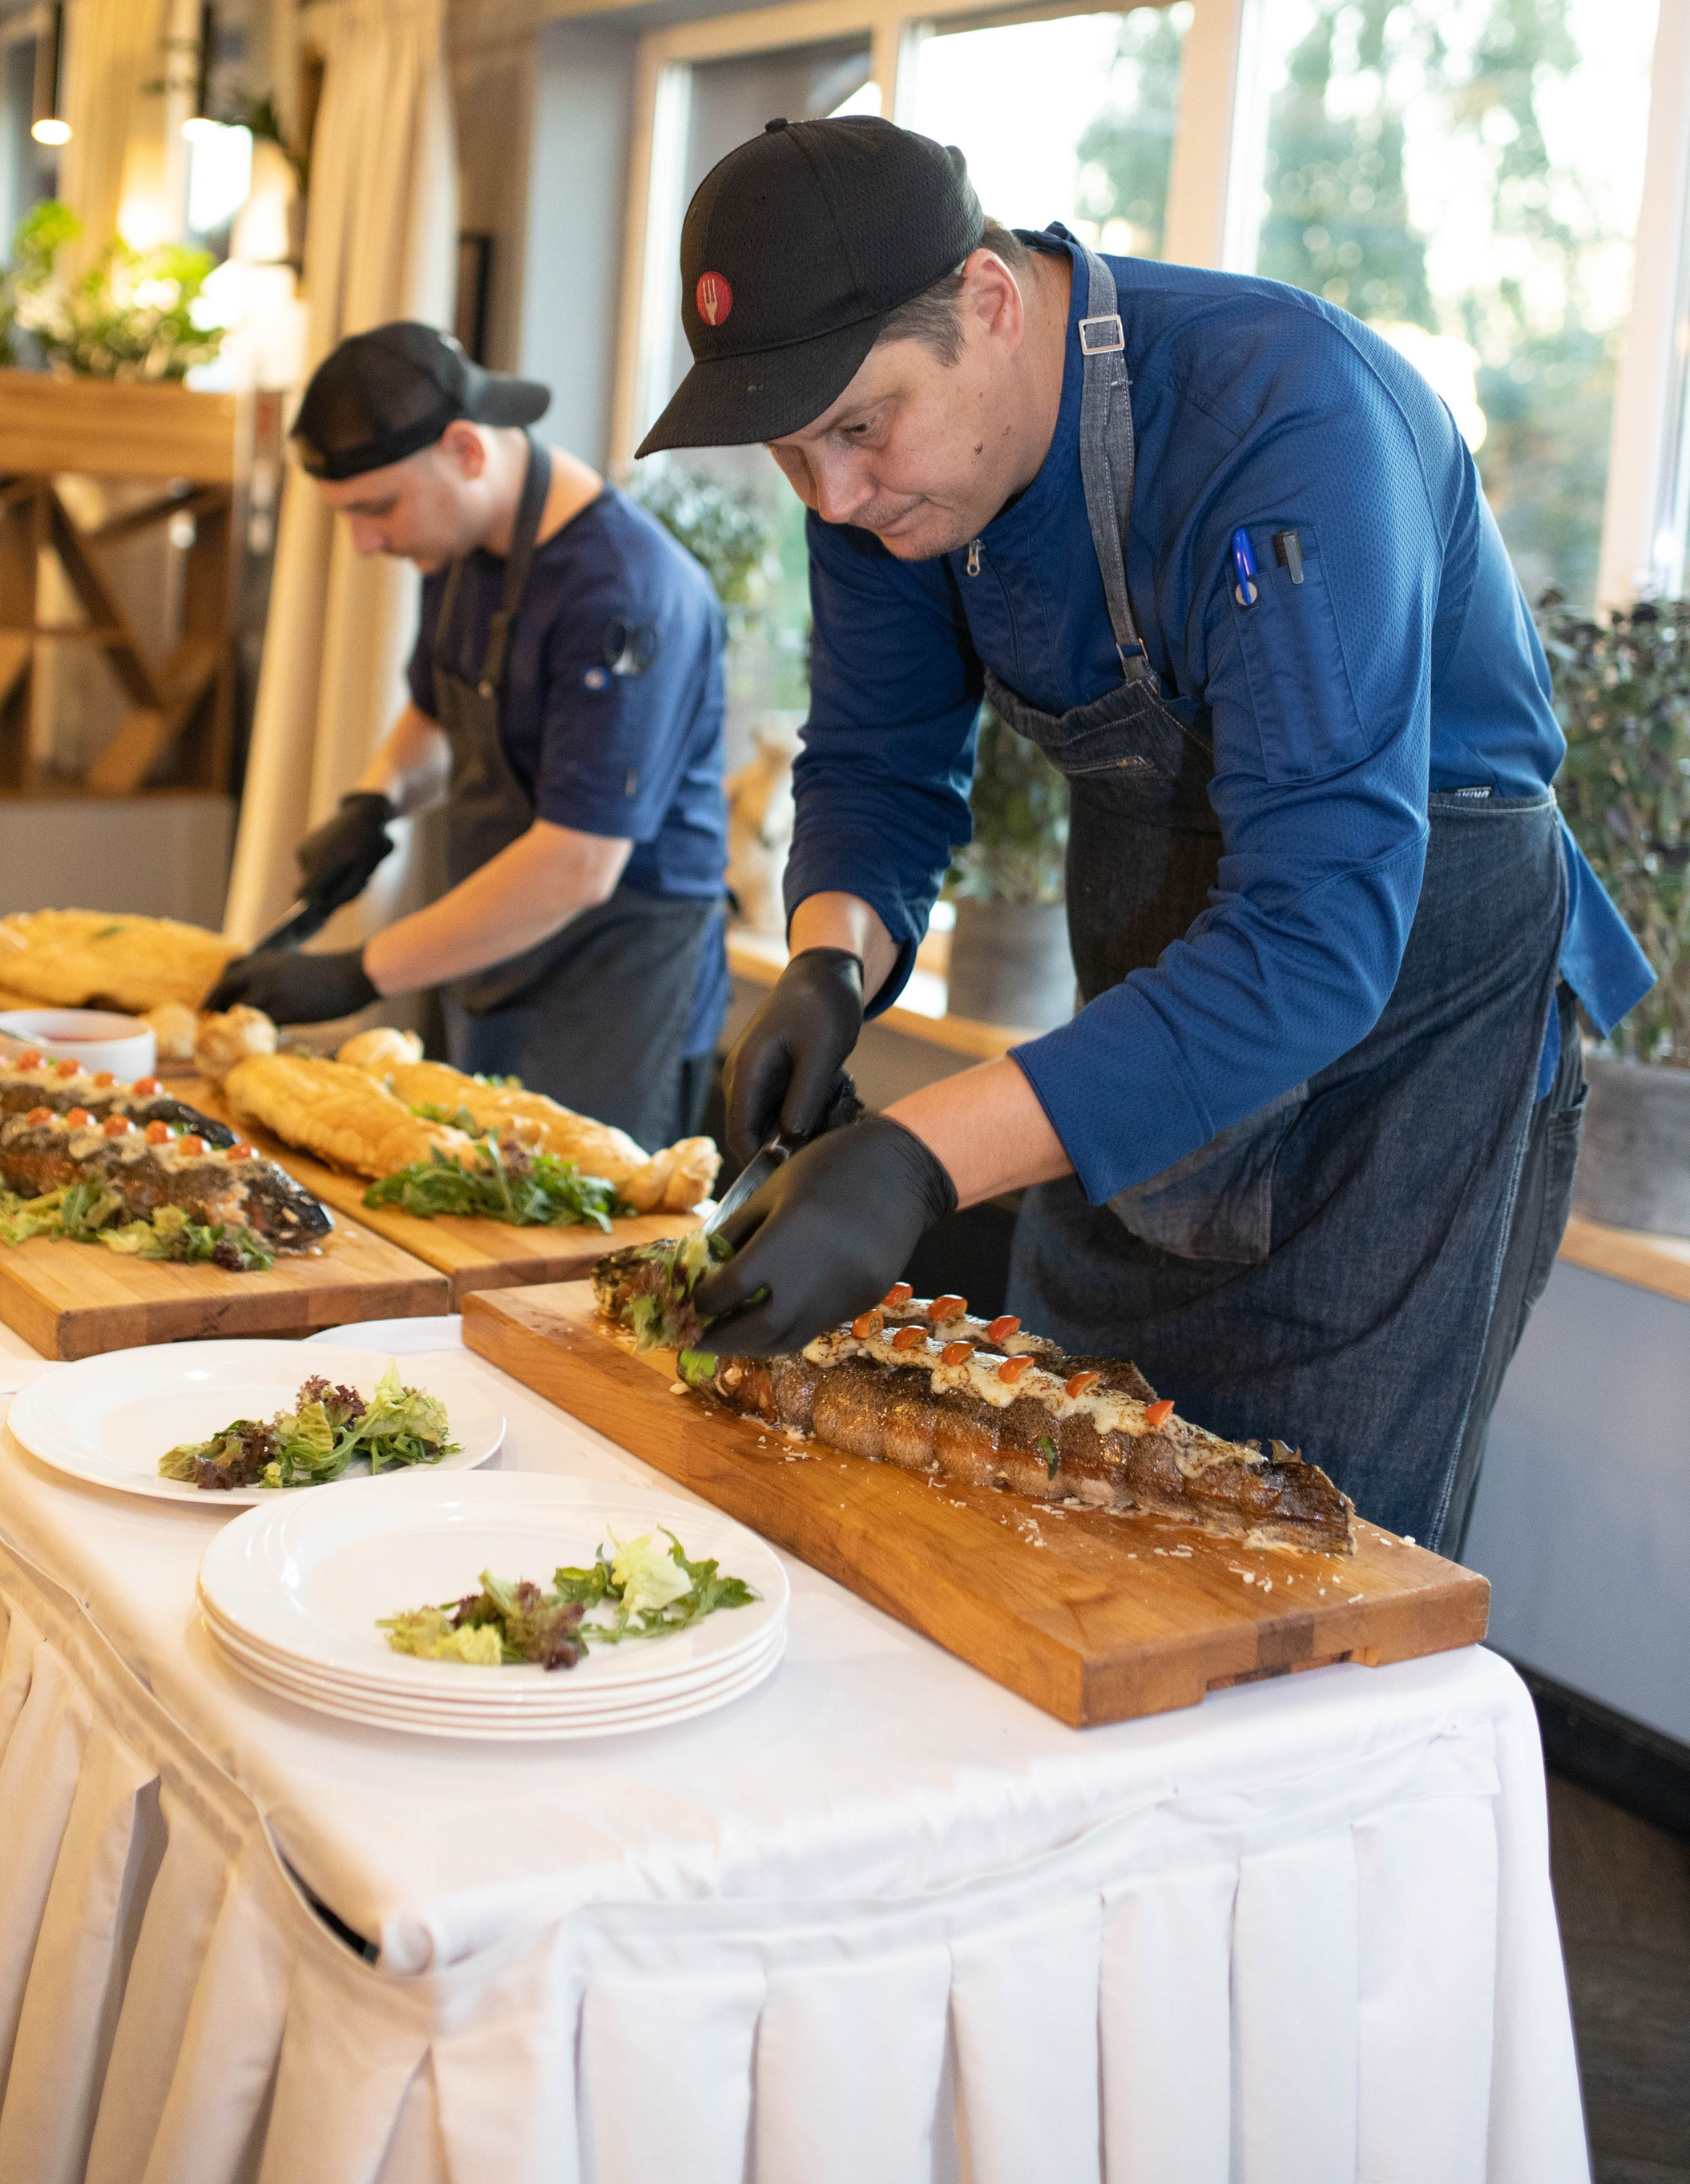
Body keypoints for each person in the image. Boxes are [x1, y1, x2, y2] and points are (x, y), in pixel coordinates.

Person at [635, 114, 1652, 1553]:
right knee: (1051, 1476)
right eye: (796, 457)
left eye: (859, 431)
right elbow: (878, 756)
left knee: (1296, 1549)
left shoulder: (1285, 424)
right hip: (1165, 962)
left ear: (987, 302)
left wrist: (915, 1162)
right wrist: (828, 959)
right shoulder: (877, 475)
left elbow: (1310, 940)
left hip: (1406, 1000)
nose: (836, 497)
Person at [208, 322, 730, 1150]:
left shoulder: (623, 596)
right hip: (495, 954)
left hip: (614, 977)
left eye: (377, 508)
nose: (365, 542)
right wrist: (373, 803)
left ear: (466, 450)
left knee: (573, 1248)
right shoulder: (457, 548)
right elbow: (439, 710)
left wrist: (357, 972)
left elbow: (577, 866)